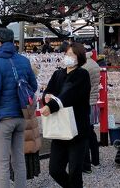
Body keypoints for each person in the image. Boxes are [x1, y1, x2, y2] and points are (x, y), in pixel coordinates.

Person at [0, 28, 38, 188]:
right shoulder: (23, 60)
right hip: (21, 116)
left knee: (2, 165)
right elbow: (33, 86)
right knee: (19, 160)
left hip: (3, 118)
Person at [40, 42, 91, 188]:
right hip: (60, 129)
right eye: (67, 54)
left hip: (77, 130)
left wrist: (51, 106)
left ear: (79, 57)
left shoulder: (82, 74)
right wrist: (46, 97)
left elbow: (69, 93)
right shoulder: (58, 74)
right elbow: (49, 90)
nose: (68, 57)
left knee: (75, 171)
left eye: (71, 54)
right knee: (55, 169)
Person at [82, 50, 101, 173]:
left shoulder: (84, 67)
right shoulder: (94, 64)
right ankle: (95, 160)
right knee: (91, 132)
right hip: (93, 100)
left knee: (84, 134)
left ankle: (86, 164)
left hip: (85, 102)